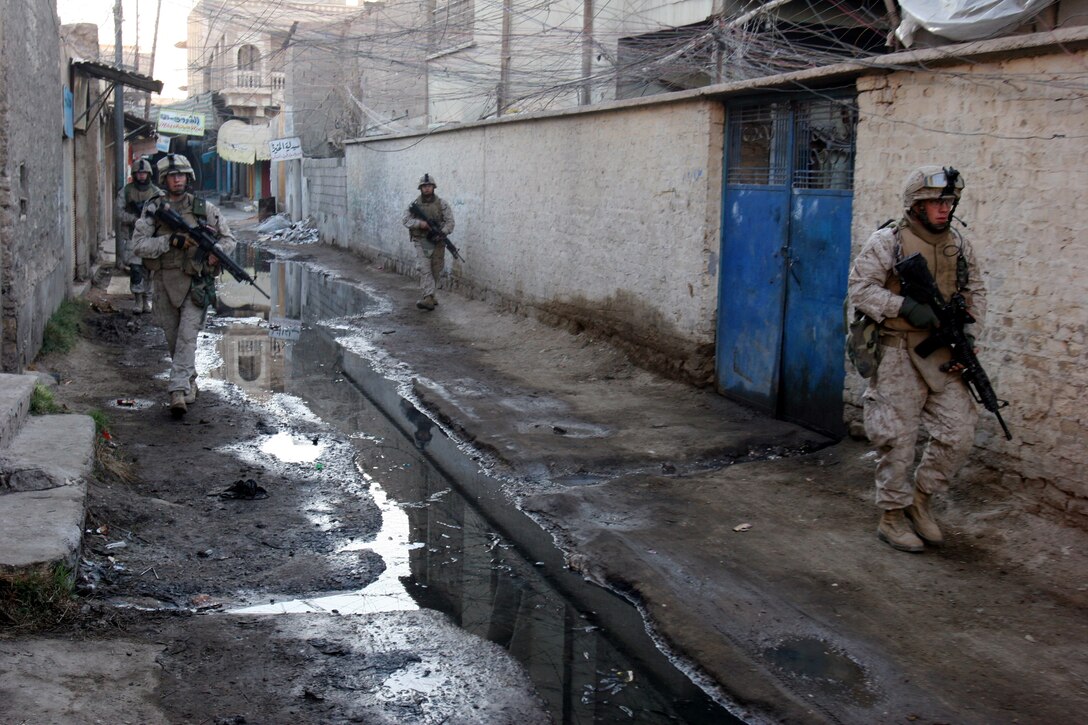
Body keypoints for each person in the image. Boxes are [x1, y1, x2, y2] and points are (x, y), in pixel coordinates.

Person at [847, 165, 987, 553]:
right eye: (936, 202)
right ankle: (891, 516)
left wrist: (967, 339)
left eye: (949, 201)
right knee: (897, 439)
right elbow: (860, 289)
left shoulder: (958, 245)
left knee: (958, 433)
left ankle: (920, 501)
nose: (945, 208)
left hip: (942, 353)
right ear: (916, 205)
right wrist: (904, 306)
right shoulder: (888, 241)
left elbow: (974, 293)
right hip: (896, 352)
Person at [131, 153, 235, 418]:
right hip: (164, 283)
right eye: (172, 176)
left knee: (187, 337)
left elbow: (228, 239)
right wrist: (169, 242)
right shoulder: (154, 209)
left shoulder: (204, 209)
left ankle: (177, 390)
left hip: (194, 283)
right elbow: (139, 246)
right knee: (174, 338)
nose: (178, 180)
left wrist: (215, 252)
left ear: (189, 178)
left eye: (182, 176)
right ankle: (189, 380)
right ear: (164, 179)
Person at [402, 173, 455, 311]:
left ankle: (432, 295)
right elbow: (405, 220)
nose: (426, 188)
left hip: (437, 241)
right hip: (421, 240)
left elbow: (450, 222)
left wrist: (442, 232)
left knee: (436, 269)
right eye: (424, 186)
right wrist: (420, 224)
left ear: (433, 187)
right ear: (420, 188)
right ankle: (428, 297)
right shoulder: (414, 205)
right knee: (425, 268)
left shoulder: (442, 204)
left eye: (429, 186)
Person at [114, 158, 160, 313]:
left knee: (150, 270)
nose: (141, 176)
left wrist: (149, 221)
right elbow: (119, 212)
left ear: (149, 173)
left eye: (144, 172)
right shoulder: (126, 191)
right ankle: (138, 300)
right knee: (135, 269)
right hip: (133, 236)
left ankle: (148, 299)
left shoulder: (156, 193)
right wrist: (134, 220)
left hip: (151, 238)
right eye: (139, 173)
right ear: (134, 174)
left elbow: (164, 213)